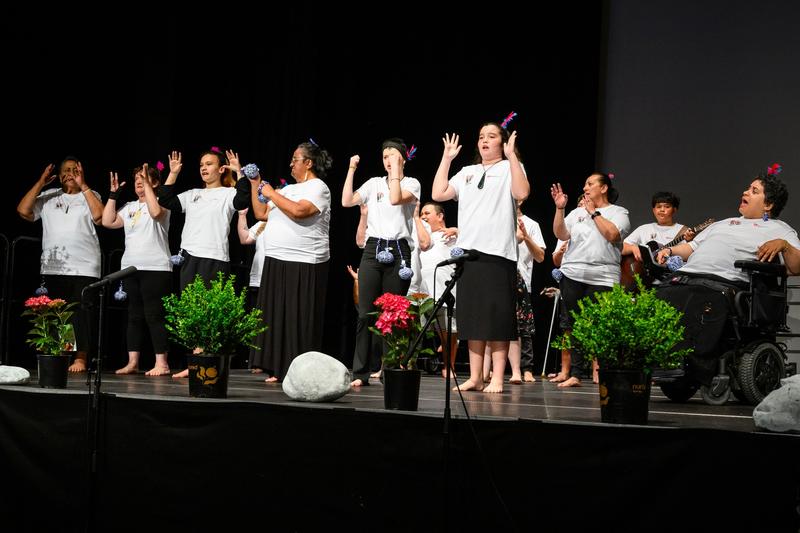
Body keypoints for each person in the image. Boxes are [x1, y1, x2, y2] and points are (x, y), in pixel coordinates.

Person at [654, 167, 799, 384]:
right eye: (748, 188)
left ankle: (693, 366)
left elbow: (796, 267)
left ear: (768, 204)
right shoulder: (721, 224)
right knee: (661, 294)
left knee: (699, 297)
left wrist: (784, 245)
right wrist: (671, 250)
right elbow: (691, 248)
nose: (746, 192)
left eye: (754, 190)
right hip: (687, 276)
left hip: (724, 282)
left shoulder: (781, 229)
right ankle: (662, 361)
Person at [432, 120, 529, 394]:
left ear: (503, 142)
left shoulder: (511, 168)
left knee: (497, 317)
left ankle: (497, 377)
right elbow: (438, 193)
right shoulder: (467, 171)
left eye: (491, 136)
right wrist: (446, 158)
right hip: (469, 253)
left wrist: (511, 157)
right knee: (472, 317)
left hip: (498, 253)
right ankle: (475, 377)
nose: (484, 140)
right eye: (481, 136)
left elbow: (522, 193)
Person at [157, 148, 252, 377]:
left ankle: (205, 363)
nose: (203, 168)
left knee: (210, 312)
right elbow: (166, 199)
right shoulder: (192, 194)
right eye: (201, 164)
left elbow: (242, 199)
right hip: (190, 256)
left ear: (220, 169)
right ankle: (195, 362)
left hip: (215, 257)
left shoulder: (228, 194)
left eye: (209, 164)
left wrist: (238, 172)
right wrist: (173, 173)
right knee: (191, 312)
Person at [249, 140, 333, 383]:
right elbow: (261, 213)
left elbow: (299, 211)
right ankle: (277, 367)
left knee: (299, 317)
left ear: (308, 162)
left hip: (305, 260)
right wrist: (256, 185)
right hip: (277, 258)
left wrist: (271, 193)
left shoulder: (318, 187)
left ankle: (299, 370)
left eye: (295, 159)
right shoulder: (286, 190)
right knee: (277, 316)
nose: (290, 163)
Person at [341, 138, 422, 388]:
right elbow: (346, 201)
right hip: (373, 248)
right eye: (385, 156)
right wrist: (351, 169)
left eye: (393, 155)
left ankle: (390, 370)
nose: (388, 160)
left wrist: (397, 171)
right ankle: (360, 372)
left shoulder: (412, 183)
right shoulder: (374, 183)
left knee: (393, 314)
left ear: (403, 158)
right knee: (365, 313)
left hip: (399, 251)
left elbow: (396, 199)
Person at [17, 156, 104, 373]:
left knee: (81, 314)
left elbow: (101, 216)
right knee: (61, 314)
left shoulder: (90, 195)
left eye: (75, 170)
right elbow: (23, 211)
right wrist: (41, 183)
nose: (70, 173)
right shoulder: (48, 196)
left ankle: (81, 358)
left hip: (84, 265)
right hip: (55, 266)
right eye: (66, 170)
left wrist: (83, 185)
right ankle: (65, 353)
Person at [550, 173, 631, 388]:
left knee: (602, 325)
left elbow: (612, 235)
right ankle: (575, 374)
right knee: (575, 326)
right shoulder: (576, 212)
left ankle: (603, 371)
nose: (585, 187)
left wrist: (593, 213)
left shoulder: (618, 212)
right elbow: (561, 234)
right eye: (585, 184)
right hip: (573, 273)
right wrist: (560, 209)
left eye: (590, 184)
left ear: (604, 188)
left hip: (603, 276)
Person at [101, 163, 172, 376]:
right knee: (134, 316)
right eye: (136, 179)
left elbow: (156, 212)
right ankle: (133, 362)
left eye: (144, 178)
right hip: (131, 267)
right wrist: (113, 195)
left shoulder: (163, 201)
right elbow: (107, 221)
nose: (139, 182)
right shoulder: (130, 207)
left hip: (156, 267)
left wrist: (149, 189)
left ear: (156, 182)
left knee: (154, 315)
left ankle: (162, 363)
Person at [417, 201, 460, 378]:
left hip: (444, 288)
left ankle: (449, 366)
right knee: (424, 329)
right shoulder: (422, 236)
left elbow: (474, 241)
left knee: (449, 330)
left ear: (440, 216)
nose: (423, 217)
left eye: (427, 213)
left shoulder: (450, 234)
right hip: (424, 290)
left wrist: (457, 230)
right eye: (421, 214)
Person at [236, 207, 268, 373]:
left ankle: (270, 360)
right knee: (256, 321)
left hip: (274, 278)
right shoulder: (263, 223)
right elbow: (245, 238)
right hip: (258, 278)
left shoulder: (287, 221)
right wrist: (242, 216)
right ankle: (257, 361)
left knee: (272, 321)